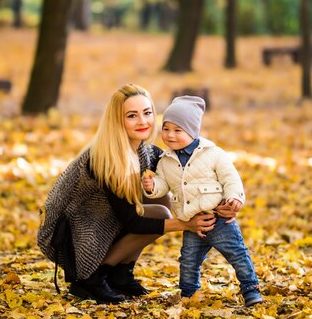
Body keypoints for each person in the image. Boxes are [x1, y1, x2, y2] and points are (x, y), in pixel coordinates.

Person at [37, 84, 217, 305]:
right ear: (117, 120)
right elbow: (133, 222)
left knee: (161, 198)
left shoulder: (145, 150)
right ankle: (91, 278)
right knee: (161, 213)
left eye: (147, 113)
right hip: (73, 232)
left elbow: (187, 174)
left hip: (102, 217)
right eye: (132, 116)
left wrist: (223, 200)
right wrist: (186, 224)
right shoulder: (107, 159)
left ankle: (121, 274)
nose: (143, 122)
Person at [142, 95, 263, 307]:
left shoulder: (213, 154)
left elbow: (231, 179)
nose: (170, 135)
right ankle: (188, 294)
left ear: (192, 131)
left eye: (178, 130)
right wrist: (153, 187)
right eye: (166, 129)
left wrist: (235, 198)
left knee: (236, 254)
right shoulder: (166, 160)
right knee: (188, 260)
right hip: (192, 223)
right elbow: (163, 185)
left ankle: (250, 288)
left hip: (219, 220)